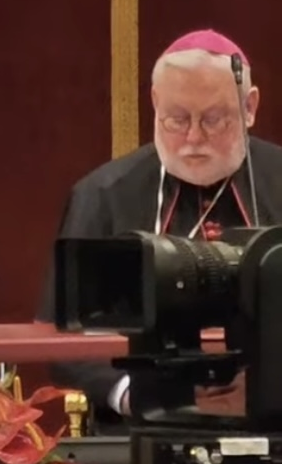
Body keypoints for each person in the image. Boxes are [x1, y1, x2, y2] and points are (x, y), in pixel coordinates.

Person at [37, 29, 278, 430]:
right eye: (176, 119)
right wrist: (137, 395)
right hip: (138, 432)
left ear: (249, 106)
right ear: (154, 103)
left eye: (215, 119)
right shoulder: (104, 195)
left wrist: (270, 388)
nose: (194, 137)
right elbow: (63, 338)